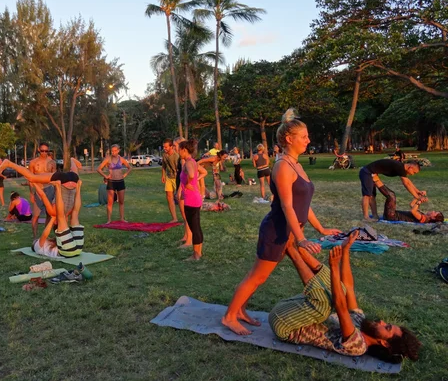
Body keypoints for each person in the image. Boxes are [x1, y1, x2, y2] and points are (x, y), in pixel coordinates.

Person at [222, 108, 341, 335]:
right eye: (304, 136)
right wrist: (302, 239)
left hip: (287, 231)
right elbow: (287, 206)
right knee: (258, 275)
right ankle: (229, 316)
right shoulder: (283, 167)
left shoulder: (296, 165)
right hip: (276, 231)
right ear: (289, 139)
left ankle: (239, 310)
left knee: (258, 276)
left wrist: (321, 228)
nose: (308, 140)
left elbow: (303, 204)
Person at [270, 232, 421, 362]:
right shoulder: (361, 322)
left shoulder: (358, 346)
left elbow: (341, 306)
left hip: (285, 326)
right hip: (291, 311)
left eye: (386, 327)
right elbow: (348, 287)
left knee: (324, 305)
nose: (381, 321)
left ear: (384, 343)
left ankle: (289, 248)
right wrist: (346, 249)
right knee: (340, 288)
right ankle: (299, 248)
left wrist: (335, 267)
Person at [359, 158, 424, 221]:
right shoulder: (400, 168)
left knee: (372, 196)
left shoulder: (401, 168)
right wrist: (417, 197)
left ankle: (375, 215)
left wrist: (417, 191)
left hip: (372, 174)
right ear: (410, 167)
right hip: (367, 173)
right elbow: (406, 184)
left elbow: (408, 182)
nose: (412, 174)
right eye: (414, 172)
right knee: (367, 195)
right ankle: (366, 217)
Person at [33, 180, 84, 258]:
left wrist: (33, 183)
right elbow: (45, 234)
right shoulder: (37, 248)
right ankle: (58, 187)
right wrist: (52, 219)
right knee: (63, 215)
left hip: (78, 248)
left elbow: (43, 195)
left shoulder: (54, 243)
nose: (37, 240)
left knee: (75, 214)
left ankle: (78, 187)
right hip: (68, 251)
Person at [178, 140, 203, 261]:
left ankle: (195, 255)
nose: (178, 152)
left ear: (184, 149)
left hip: (191, 199)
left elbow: (192, 175)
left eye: (179, 149)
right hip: (194, 197)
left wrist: (187, 184)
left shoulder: (188, 163)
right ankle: (198, 253)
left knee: (194, 227)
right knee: (196, 226)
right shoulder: (193, 161)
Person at [97, 144, 132, 223]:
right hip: (111, 182)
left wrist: (125, 175)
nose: (113, 152)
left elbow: (130, 168)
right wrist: (105, 176)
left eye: (115, 150)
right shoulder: (108, 159)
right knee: (110, 202)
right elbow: (98, 169)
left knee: (121, 201)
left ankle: (122, 218)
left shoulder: (121, 159)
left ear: (118, 150)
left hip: (120, 181)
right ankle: (109, 220)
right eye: (112, 151)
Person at [28, 143, 56, 239]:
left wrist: (56, 193)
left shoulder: (52, 162)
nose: (44, 153)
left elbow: (54, 178)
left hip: (49, 190)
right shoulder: (33, 163)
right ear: (39, 151)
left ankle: (45, 236)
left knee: (49, 214)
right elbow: (30, 179)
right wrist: (31, 193)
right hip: (38, 190)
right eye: (42, 151)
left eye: (46, 151)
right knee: (36, 215)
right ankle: (35, 237)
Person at [377, 184, 443, 224]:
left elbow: (413, 211)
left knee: (391, 196)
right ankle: (376, 182)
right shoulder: (422, 215)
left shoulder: (424, 219)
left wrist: (419, 202)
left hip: (391, 216)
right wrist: (419, 196)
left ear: (433, 218)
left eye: (435, 212)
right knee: (391, 196)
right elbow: (412, 205)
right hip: (392, 214)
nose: (433, 211)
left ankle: (376, 181)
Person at [174, 137, 192, 246]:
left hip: (183, 188)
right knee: (184, 215)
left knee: (186, 215)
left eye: (175, 145)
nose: (174, 148)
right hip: (180, 186)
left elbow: (186, 176)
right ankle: (186, 236)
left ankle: (189, 240)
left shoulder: (183, 159)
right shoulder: (181, 158)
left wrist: (180, 189)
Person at [161, 138, 180, 223]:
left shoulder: (176, 156)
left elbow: (179, 168)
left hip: (176, 177)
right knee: (169, 197)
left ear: (171, 146)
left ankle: (185, 216)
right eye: (163, 147)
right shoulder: (164, 155)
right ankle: (174, 218)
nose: (164, 148)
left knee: (180, 198)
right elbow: (164, 165)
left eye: (166, 147)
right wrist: (163, 175)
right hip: (169, 177)